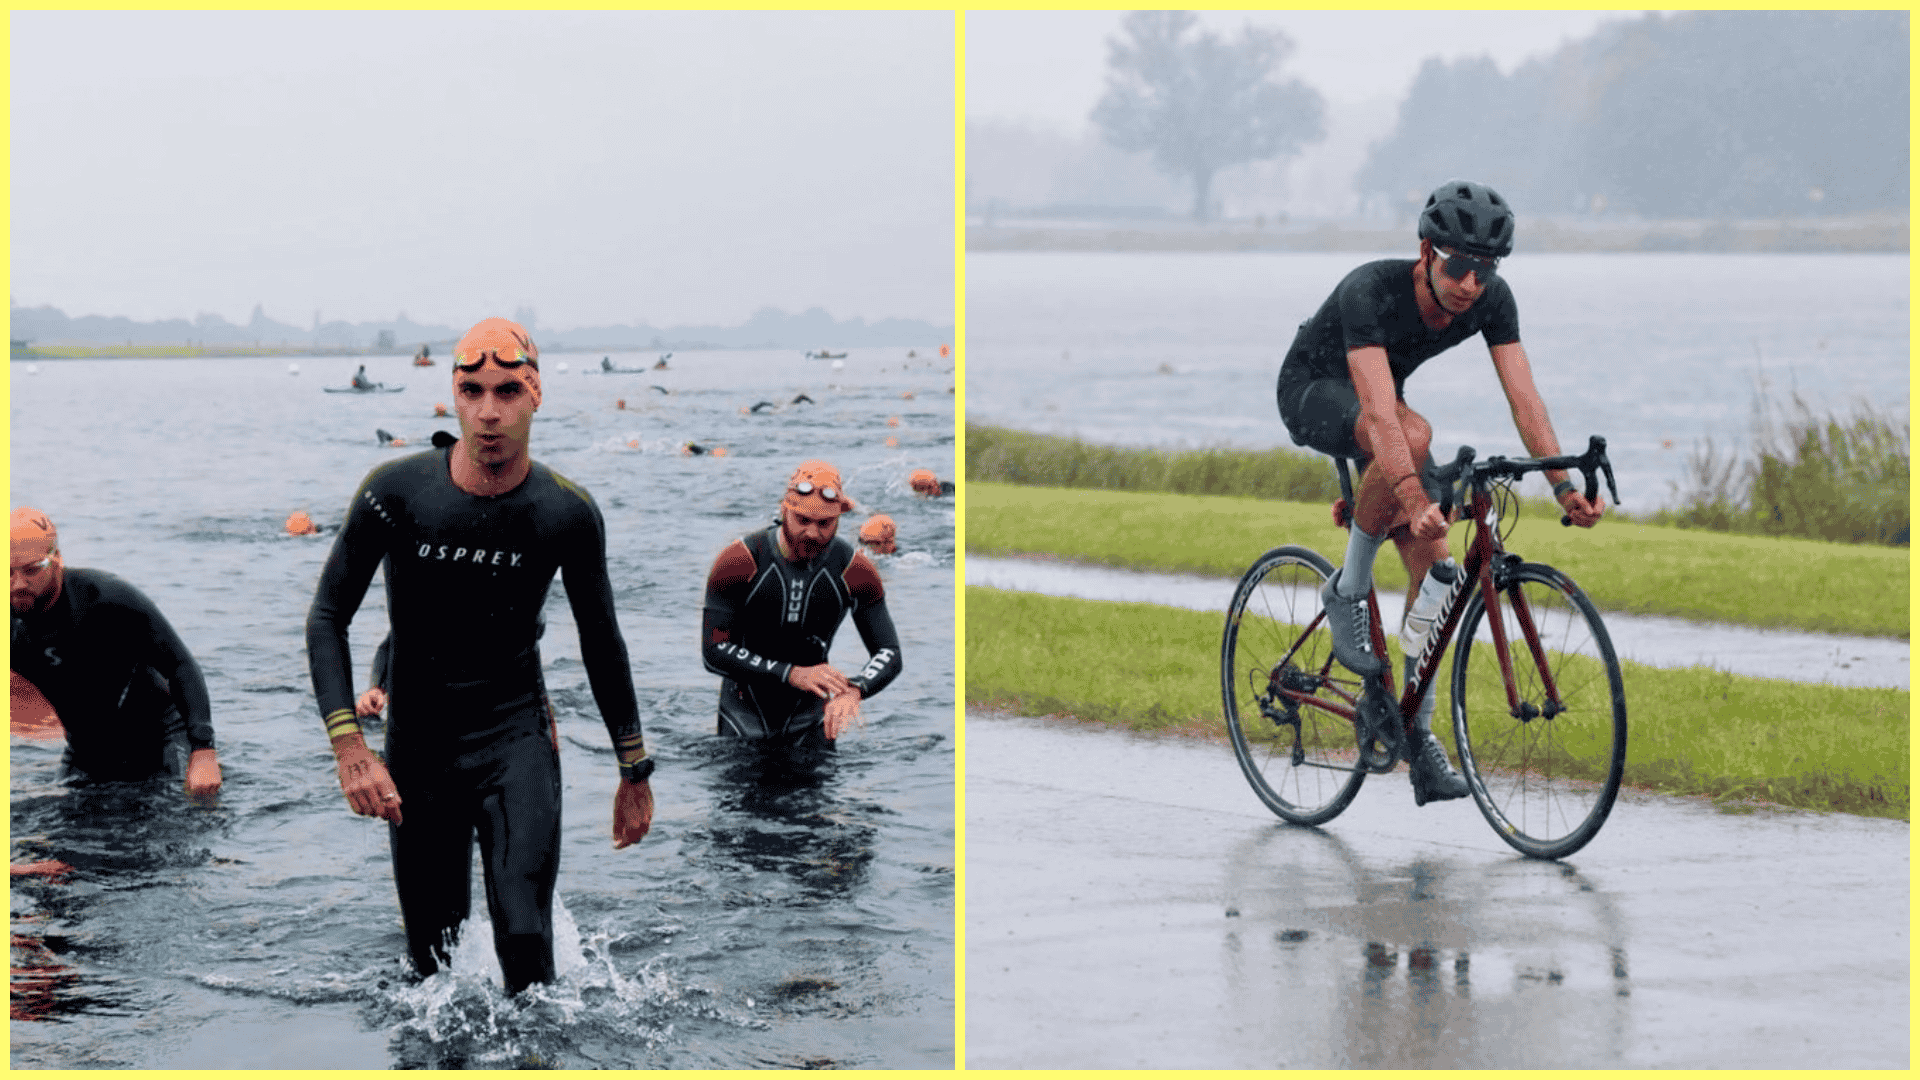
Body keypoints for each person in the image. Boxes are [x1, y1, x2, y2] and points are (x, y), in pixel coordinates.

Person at [305, 316, 654, 995]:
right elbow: (327, 617)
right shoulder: (396, 493)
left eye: (507, 391)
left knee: (525, 942)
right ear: (453, 395)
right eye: (471, 391)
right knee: (429, 968)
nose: (489, 412)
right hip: (419, 746)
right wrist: (350, 748)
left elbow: (602, 642)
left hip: (514, 738)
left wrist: (633, 767)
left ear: (536, 394)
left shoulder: (566, 511)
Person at [1275, 179, 1605, 806]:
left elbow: (1525, 399)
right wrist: (1410, 490)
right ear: (1426, 253)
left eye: (1485, 270)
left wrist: (1563, 487)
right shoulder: (1368, 289)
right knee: (1413, 432)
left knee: (1440, 571)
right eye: (1458, 266)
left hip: (1381, 416)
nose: (1471, 283)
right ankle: (1346, 591)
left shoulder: (1489, 299)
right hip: (1314, 392)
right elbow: (1378, 410)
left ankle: (1415, 735)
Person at [9, 508, 222, 797]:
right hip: (85, 752)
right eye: (7, 572)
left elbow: (180, 665)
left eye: (32, 569)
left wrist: (204, 752)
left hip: (159, 739)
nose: (18, 583)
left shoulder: (107, 599)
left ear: (56, 560)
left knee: (188, 816)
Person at [701, 460, 902, 755]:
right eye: (803, 520)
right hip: (744, 720)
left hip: (811, 722)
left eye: (824, 524)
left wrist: (856, 689)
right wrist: (791, 673)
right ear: (784, 510)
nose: (812, 533)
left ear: (839, 518)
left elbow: (889, 652)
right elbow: (713, 651)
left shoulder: (855, 571)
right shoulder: (740, 560)